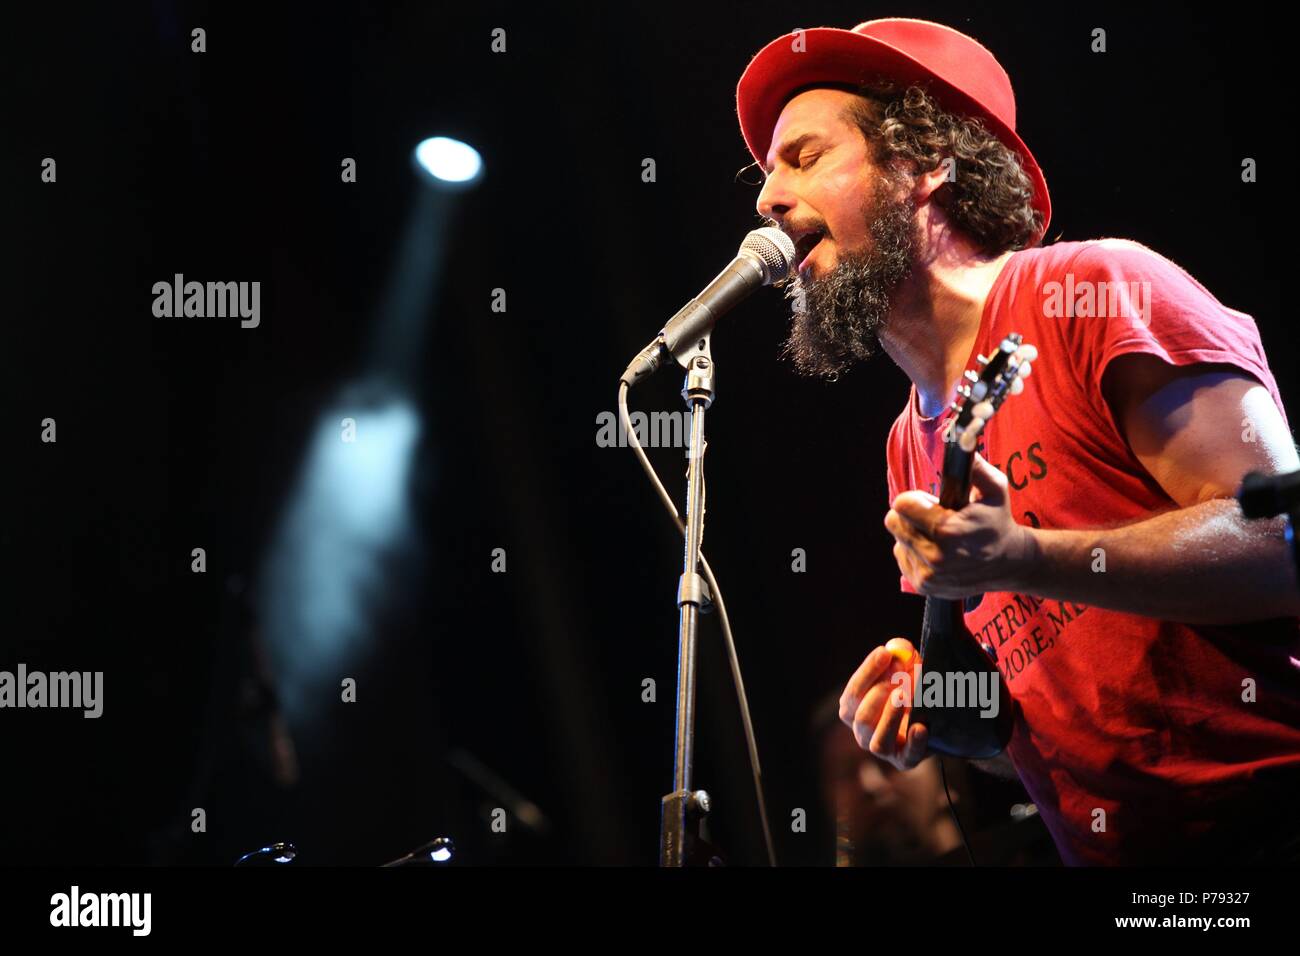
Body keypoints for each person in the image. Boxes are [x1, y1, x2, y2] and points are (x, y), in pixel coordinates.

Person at [734, 18, 1300, 864]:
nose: (766, 198)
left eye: (803, 157)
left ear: (925, 163)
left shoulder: (1095, 286)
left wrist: (1027, 557)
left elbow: (1281, 544)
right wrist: (941, 712)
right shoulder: (907, 447)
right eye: (766, 170)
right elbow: (1043, 720)